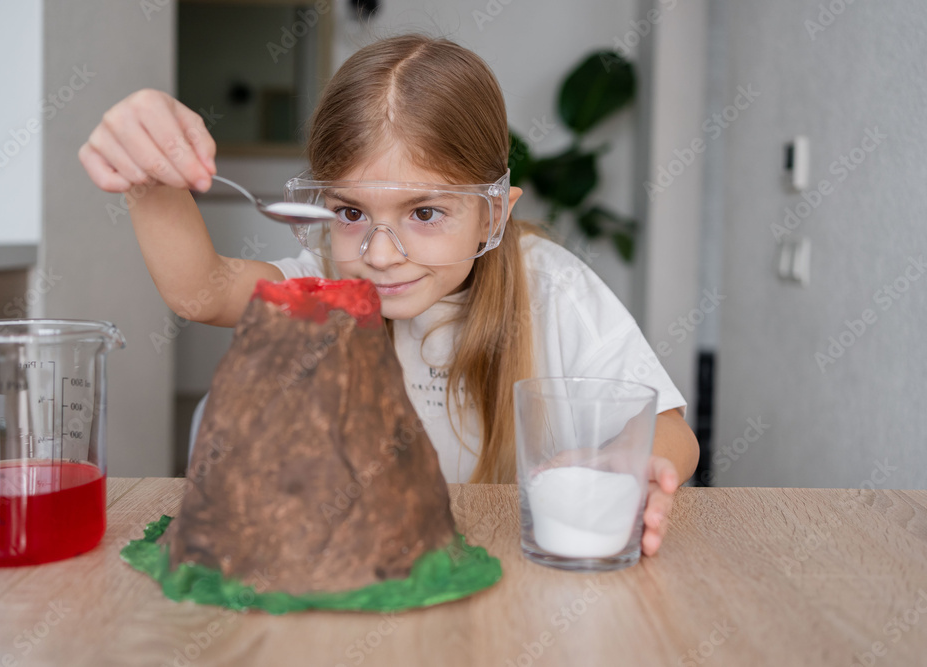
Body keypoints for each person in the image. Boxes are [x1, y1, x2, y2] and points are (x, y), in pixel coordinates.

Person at [79, 34, 699, 556]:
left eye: (424, 213)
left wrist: (622, 461)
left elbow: (674, 434)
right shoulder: (327, 286)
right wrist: (149, 177)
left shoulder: (551, 287)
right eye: (350, 212)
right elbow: (200, 291)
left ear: (492, 216)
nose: (378, 254)